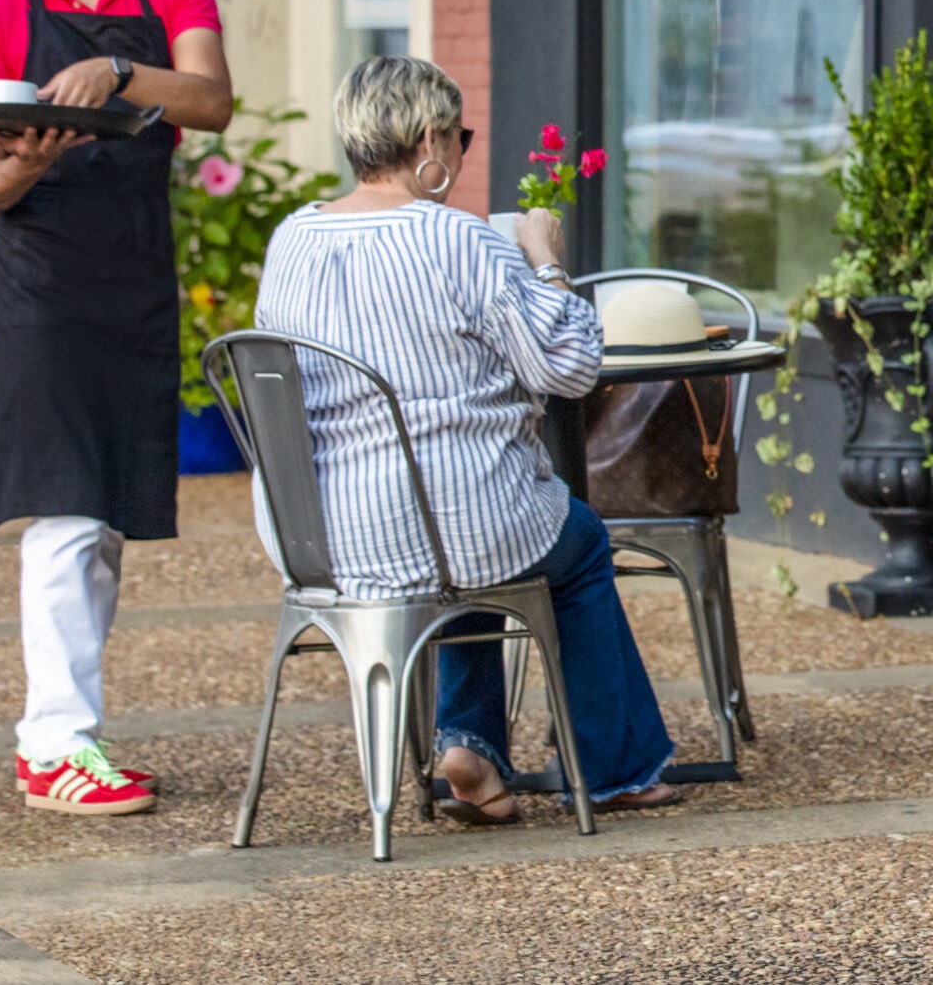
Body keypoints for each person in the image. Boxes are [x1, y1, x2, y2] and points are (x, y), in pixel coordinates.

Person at [252, 56, 682, 823]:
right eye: (460, 136)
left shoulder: (292, 239)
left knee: (480, 524)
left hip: (320, 537)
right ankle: (615, 770)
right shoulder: (460, 240)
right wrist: (546, 261)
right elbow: (574, 368)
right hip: (456, 526)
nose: (460, 152)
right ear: (427, 139)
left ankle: (473, 748)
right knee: (572, 540)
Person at [0, 0, 236, 816]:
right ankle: (52, 741)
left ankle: (75, 731)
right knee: (66, 501)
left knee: (106, 509)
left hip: (135, 274)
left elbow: (209, 100)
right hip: (41, 280)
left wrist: (118, 68)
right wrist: (24, 162)